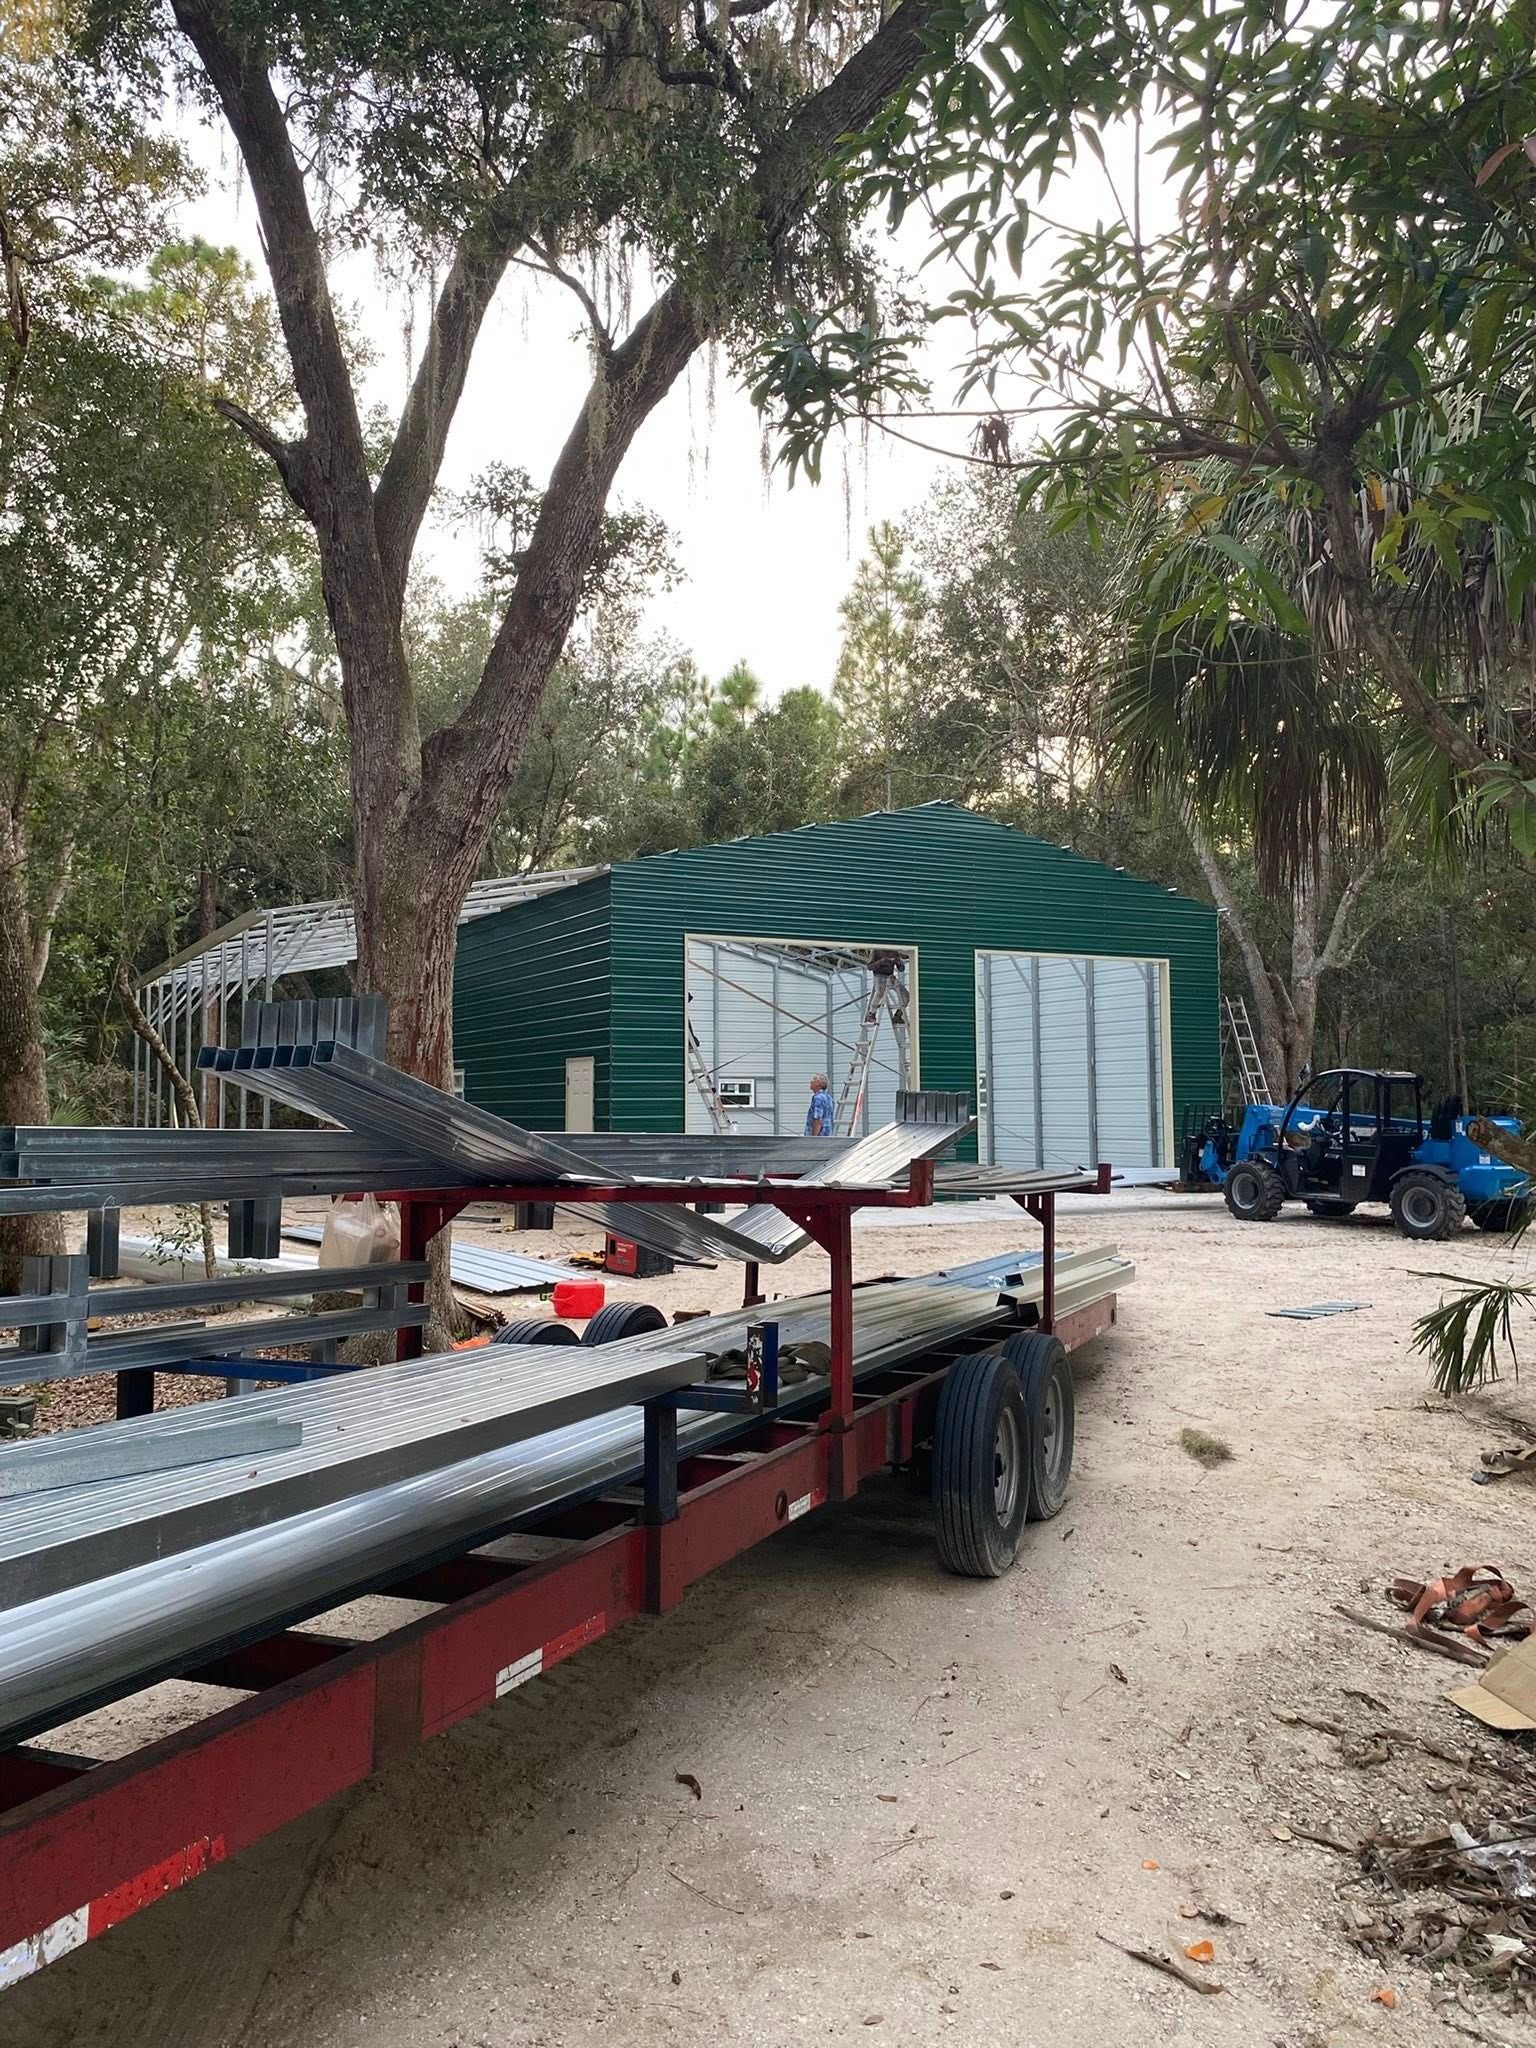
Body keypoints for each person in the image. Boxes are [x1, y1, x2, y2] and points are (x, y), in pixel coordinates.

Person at [806, 1073, 835, 1137]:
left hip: (819, 1138)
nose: (811, 1081)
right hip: (828, 1136)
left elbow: (817, 1119)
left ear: (818, 1084)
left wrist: (814, 1137)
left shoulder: (818, 1098)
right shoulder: (829, 1097)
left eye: (814, 1080)